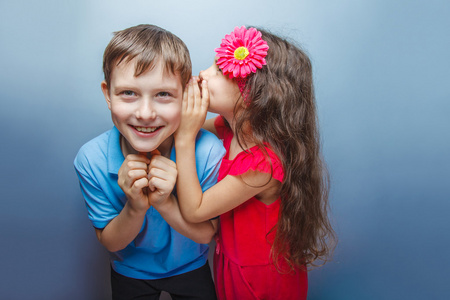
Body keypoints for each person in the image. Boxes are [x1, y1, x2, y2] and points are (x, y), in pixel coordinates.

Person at [174, 26, 336, 299]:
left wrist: (184, 140)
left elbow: (194, 210)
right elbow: (185, 120)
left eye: (218, 71)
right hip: (232, 263)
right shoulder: (231, 129)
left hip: (257, 280)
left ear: (252, 93)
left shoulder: (262, 166)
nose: (203, 74)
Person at [74, 24, 225, 300]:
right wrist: (135, 208)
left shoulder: (209, 152)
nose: (145, 113)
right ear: (108, 94)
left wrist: (166, 203)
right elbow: (109, 241)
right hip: (129, 271)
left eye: (163, 94)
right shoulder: (91, 159)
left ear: (185, 95)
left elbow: (207, 235)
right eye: (129, 93)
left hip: (191, 265)